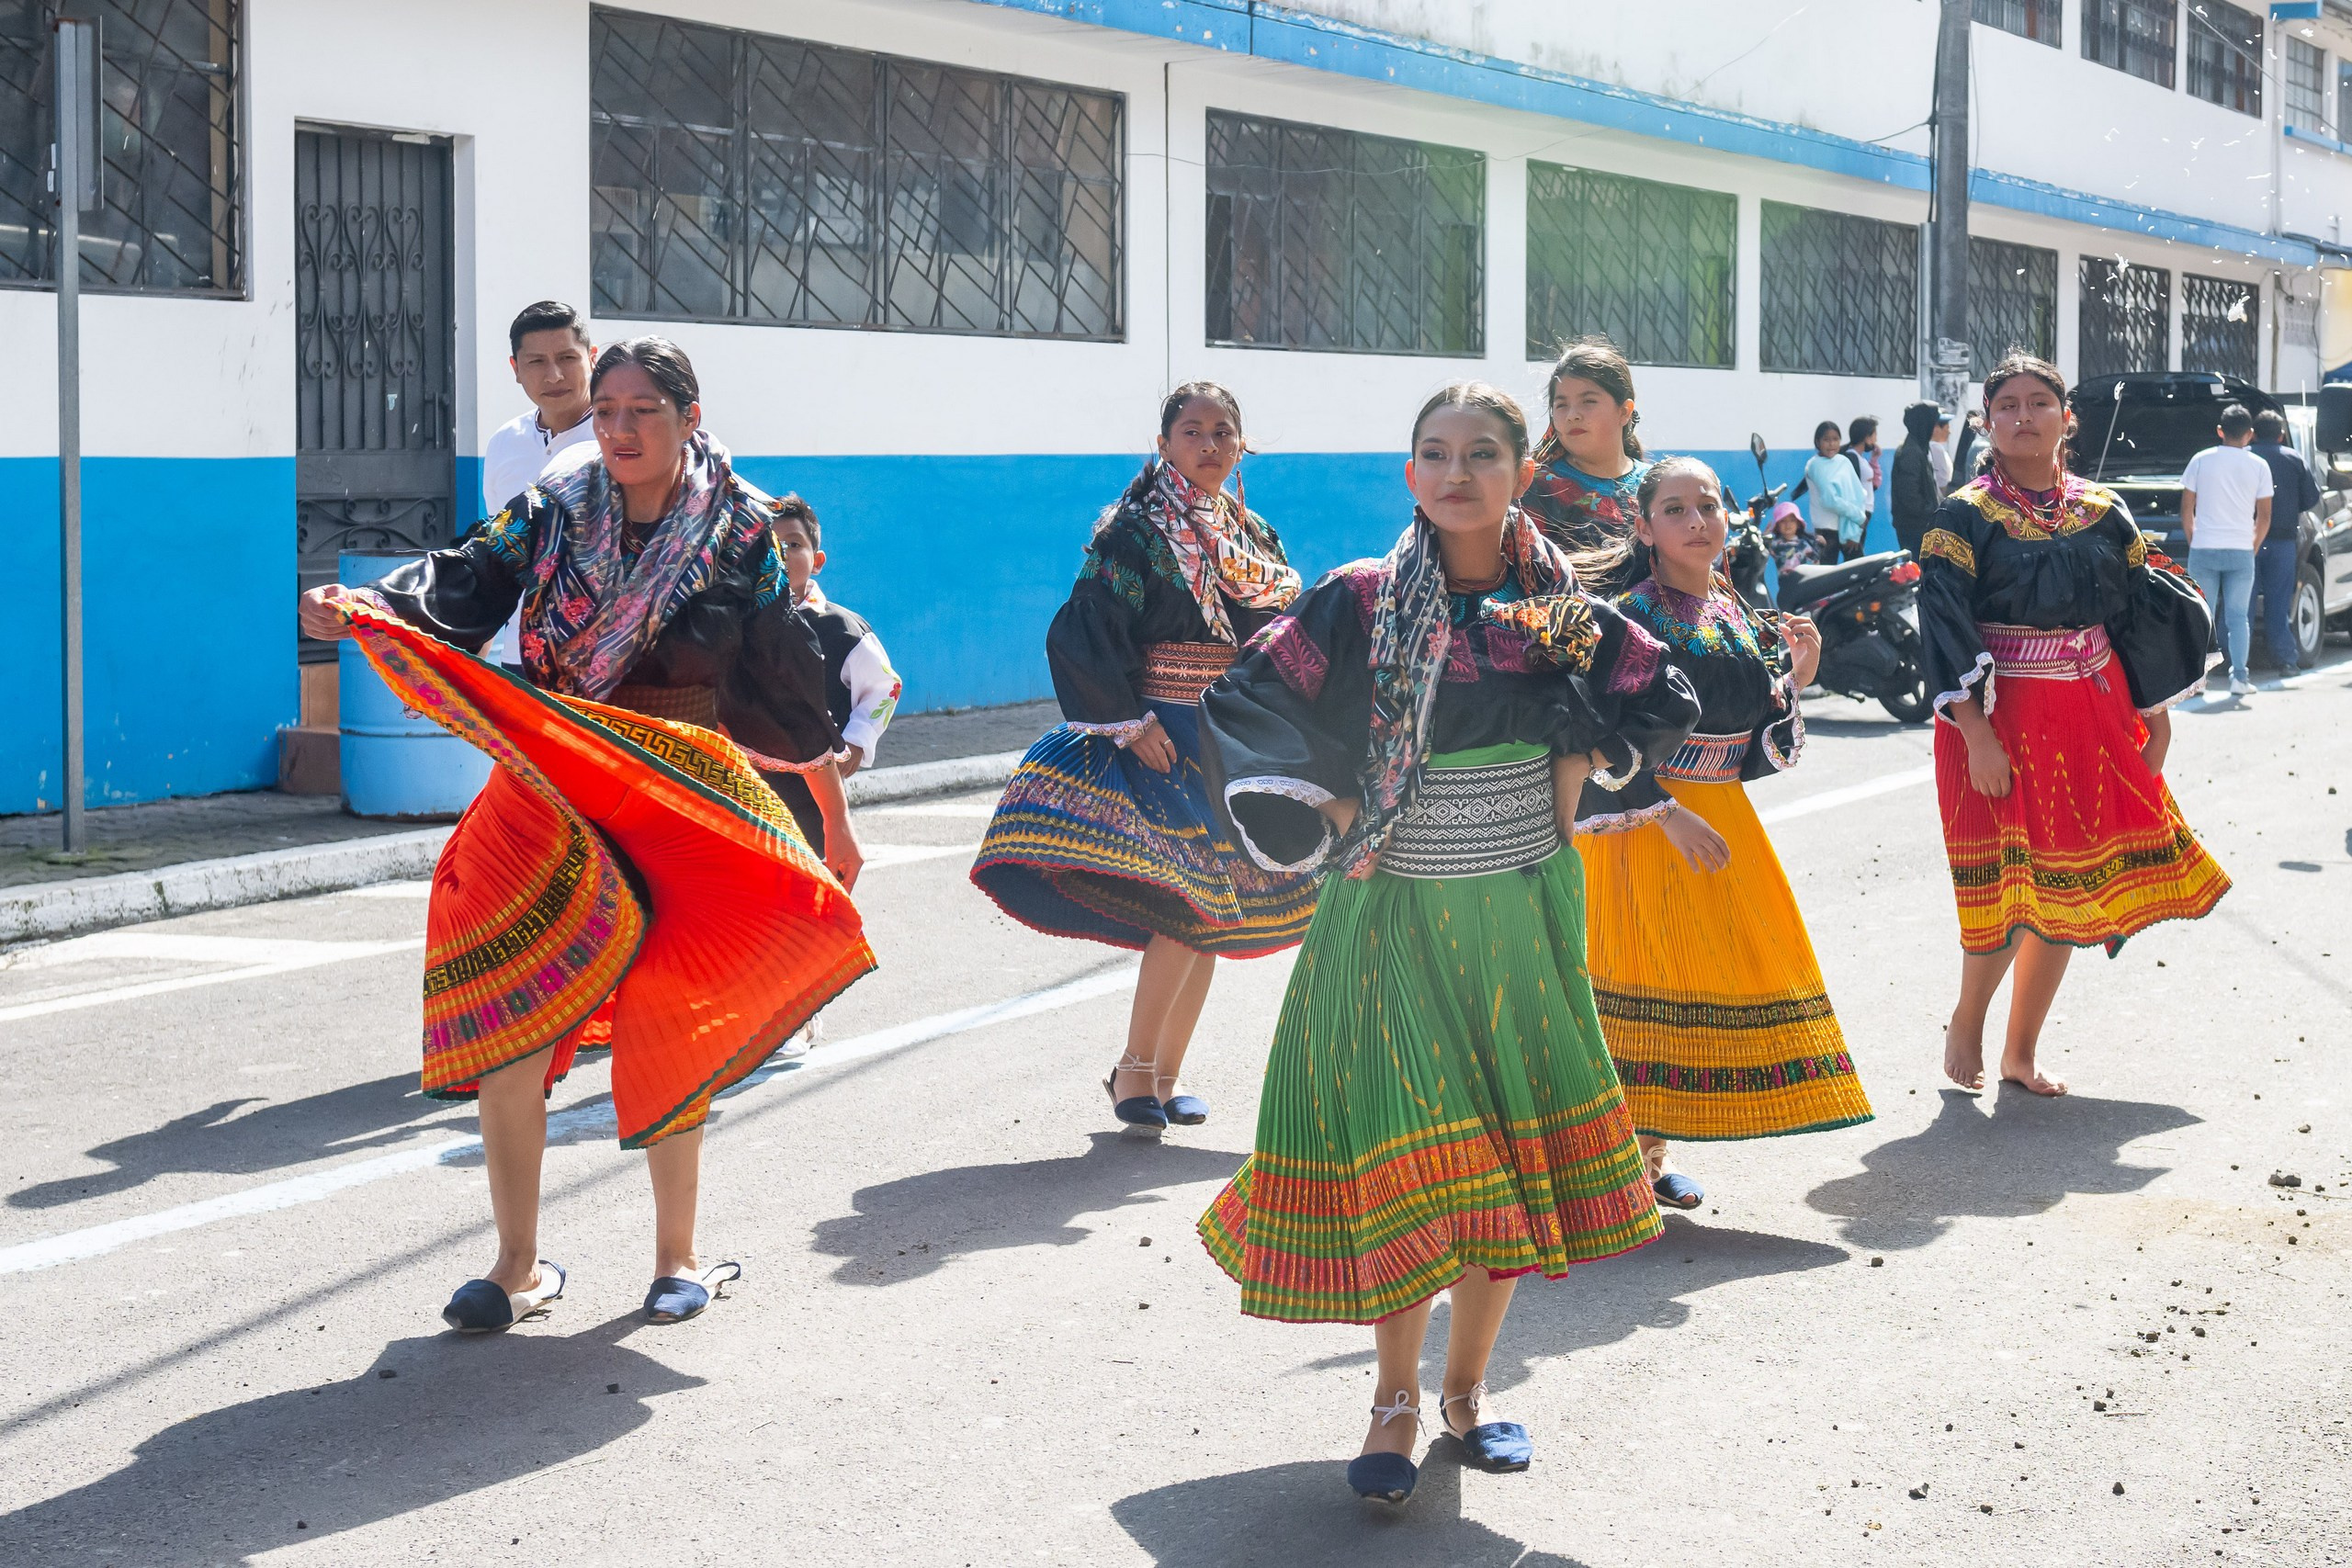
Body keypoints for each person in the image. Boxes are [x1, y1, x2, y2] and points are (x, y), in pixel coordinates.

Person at [297, 336, 875, 1329]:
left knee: (673, 1015)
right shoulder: (556, 509)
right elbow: (465, 574)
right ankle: (517, 1265)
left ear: (690, 418)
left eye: (640, 409)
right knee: (514, 1013)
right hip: (553, 778)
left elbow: (781, 680)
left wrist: (828, 808)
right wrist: (373, 604)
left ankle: (678, 1257)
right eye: (605, 410)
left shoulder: (743, 536)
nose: (615, 428)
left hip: (679, 796)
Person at [1195, 382, 1700, 1507]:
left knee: (1504, 1151)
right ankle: (1392, 1396)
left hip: (1521, 906)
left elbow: (1655, 690)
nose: (1457, 472)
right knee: (1416, 1144)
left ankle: (1466, 1389)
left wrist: (1579, 770)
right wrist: (1328, 812)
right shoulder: (1360, 600)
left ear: (1524, 474)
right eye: (1434, 453)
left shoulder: (1562, 608)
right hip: (1389, 908)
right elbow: (1248, 698)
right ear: (1409, 475)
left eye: (1483, 453)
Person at [971, 383, 1318, 1138]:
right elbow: (1085, 628)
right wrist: (1129, 724)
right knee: (1188, 905)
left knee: (1212, 915)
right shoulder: (1135, 533)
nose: (1209, 444)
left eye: (1224, 431)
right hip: (1160, 735)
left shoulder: (1255, 537)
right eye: (1191, 431)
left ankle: (1163, 1075)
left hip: (1229, 741)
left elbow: (1278, 639)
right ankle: (1136, 1069)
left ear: (1241, 445)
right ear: (1164, 444)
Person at [1918, 354, 2229, 1098]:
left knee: (2063, 888)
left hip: (2092, 709)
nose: (2023, 417)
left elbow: (2133, 613)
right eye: (2007, 407)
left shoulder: (2102, 508)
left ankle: (2020, 1052)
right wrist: (1978, 736)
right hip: (1999, 716)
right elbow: (1944, 626)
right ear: (1987, 422)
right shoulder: (1963, 513)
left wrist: (2155, 717)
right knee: (2002, 884)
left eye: (2038, 403)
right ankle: (1969, 1016)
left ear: (2068, 417)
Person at [1571, 458, 1869, 1212]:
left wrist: (1796, 677)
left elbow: (1747, 746)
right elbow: (1593, 732)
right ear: (1644, 527)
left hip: (1721, 814)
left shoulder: (1734, 609)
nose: (1699, 520)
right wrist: (1665, 812)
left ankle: (1649, 1155)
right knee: (1638, 979)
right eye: (1676, 509)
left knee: (1695, 980)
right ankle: (1614, 1171)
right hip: (1641, 823)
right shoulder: (1630, 615)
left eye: (1708, 505)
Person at [765, 493, 903, 854]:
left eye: (793, 545)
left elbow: (884, 687)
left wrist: (857, 740)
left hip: (815, 789)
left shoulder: (842, 630)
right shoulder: (740, 622)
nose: (780, 554)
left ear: (817, 561)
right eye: (768, 545)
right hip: (749, 782)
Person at [479, 302, 600, 666]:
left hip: (603, 665)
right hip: (522, 661)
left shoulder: (620, 439)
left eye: (567, 358)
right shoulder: (505, 443)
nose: (554, 376)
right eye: (536, 362)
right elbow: (500, 565)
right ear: (515, 369)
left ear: (592, 357)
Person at [1519, 336, 1651, 593]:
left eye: (1588, 401)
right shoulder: (1536, 488)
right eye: (1561, 405)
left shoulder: (1657, 487)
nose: (1572, 415)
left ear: (1624, 411)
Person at [2180, 404, 2274, 697]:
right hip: (2241, 548)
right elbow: (2265, 515)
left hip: (2205, 547)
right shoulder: (2259, 466)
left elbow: (2186, 507)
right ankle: (2239, 678)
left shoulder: (2200, 460)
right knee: (2237, 617)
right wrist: (2253, 545)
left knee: (2202, 616)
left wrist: (2194, 539)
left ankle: (2198, 680)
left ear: (2220, 431)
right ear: (2250, 434)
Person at [2248, 408, 2320, 671]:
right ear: (2281, 436)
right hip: (2282, 542)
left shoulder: (2244, 458)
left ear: (2252, 435)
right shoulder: (2294, 459)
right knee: (2279, 603)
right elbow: (2311, 500)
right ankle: (2286, 660)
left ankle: (2235, 661)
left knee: (2241, 602)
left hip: (2247, 540)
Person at [1803, 419, 1871, 561]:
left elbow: (1858, 493)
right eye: (1826, 440)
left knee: (1858, 574)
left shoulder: (1843, 461)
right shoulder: (1814, 465)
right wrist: (1858, 516)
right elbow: (1829, 500)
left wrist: (1855, 530)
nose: (1831, 444)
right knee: (1826, 578)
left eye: (1835, 439)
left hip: (1849, 529)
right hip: (1827, 531)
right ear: (1817, 442)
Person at [1890, 400, 1943, 558]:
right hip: (1915, 528)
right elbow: (1910, 495)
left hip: (1919, 526)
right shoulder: (1911, 452)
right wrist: (1930, 511)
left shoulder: (1918, 448)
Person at [1765, 501, 1818, 570]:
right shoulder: (1774, 544)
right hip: (1781, 580)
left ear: (1798, 524)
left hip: (1801, 579)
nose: (1788, 524)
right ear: (1777, 526)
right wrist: (1764, 539)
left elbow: (1816, 565)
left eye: (1792, 520)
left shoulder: (1803, 545)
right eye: (1783, 521)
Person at [1928, 410, 1955, 493]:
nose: (1949, 432)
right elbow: (1942, 484)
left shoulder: (1933, 447)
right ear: (1936, 429)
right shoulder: (1936, 448)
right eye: (1947, 428)